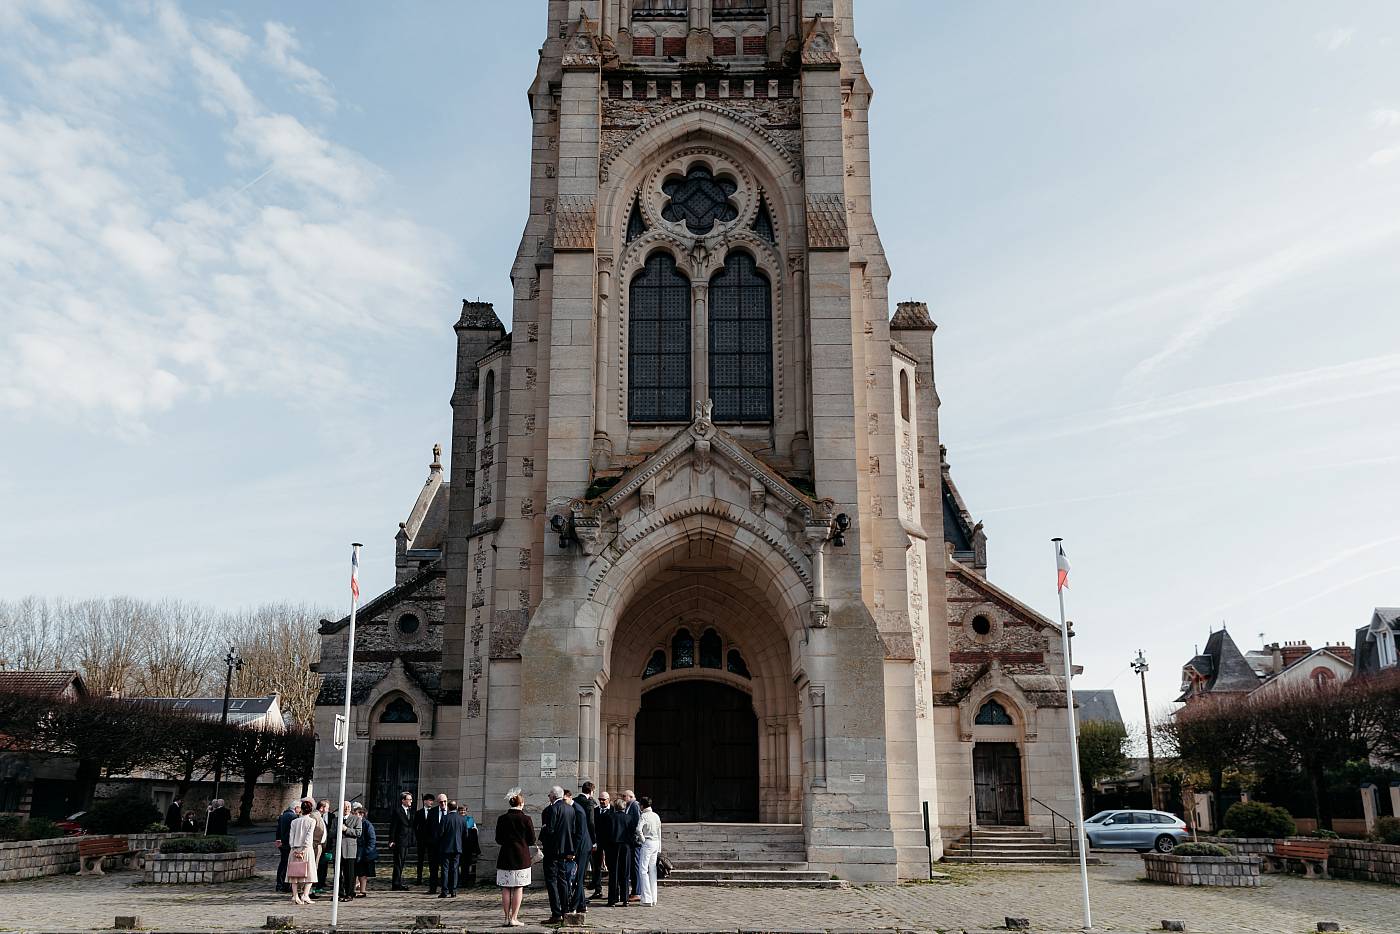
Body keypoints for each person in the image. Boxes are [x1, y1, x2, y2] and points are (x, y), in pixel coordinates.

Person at [494, 789, 536, 928]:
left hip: (505, 855)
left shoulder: (502, 818)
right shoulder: (526, 819)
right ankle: (514, 917)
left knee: (505, 887)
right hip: (521, 856)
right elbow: (531, 839)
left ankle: (506, 918)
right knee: (518, 887)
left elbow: (498, 839)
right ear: (521, 803)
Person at [539, 785, 580, 925]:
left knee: (551, 881)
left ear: (554, 796)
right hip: (565, 850)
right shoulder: (570, 809)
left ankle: (556, 913)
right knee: (563, 881)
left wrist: (544, 829)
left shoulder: (552, 809)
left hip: (552, 850)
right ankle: (565, 910)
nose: (548, 796)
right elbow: (573, 830)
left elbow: (550, 830)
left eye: (549, 794)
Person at [568, 789, 593, 921]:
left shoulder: (577, 810)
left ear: (569, 797)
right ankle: (582, 905)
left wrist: (573, 852)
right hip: (583, 846)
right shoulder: (574, 808)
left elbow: (579, 834)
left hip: (582, 848)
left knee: (579, 877)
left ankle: (574, 905)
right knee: (578, 876)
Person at [286, 799, 318, 905]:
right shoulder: (312, 821)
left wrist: (294, 849)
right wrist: (303, 850)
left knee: (294, 874)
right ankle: (305, 894)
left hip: (294, 848)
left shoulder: (294, 821)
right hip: (306, 849)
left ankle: (295, 895)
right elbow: (308, 837)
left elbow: (291, 837)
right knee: (310, 874)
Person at [575, 783, 599, 906]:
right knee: (582, 871)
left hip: (575, 840)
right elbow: (591, 823)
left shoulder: (574, 800)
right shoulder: (588, 803)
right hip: (586, 841)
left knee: (577, 870)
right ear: (591, 791)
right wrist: (594, 841)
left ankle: (578, 895)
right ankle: (580, 898)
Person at [435, 799, 465, 898]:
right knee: (455, 869)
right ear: (456, 808)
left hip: (446, 847)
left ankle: (444, 890)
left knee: (445, 869)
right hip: (457, 847)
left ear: (448, 807)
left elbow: (440, 833)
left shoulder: (445, 818)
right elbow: (465, 834)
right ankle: (454, 890)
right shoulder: (462, 819)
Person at [606, 796, 632, 908]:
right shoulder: (629, 818)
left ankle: (612, 899)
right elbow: (631, 833)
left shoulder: (610, 817)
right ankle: (625, 899)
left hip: (613, 847)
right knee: (625, 873)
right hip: (625, 846)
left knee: (613, 873)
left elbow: (607, 833)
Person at [636, 796, 661, 907]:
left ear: (642, 805)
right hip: (656, 842)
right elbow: (660, 830)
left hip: (648, 843)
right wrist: (659, 846)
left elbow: (638, 829)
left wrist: (643, 840)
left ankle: (646, 898)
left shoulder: (644, 816)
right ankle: (654, 897)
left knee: (643, 870)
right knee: (652, 870)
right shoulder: (656, 815)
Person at [389, 791, 415, 890]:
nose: (411, 801)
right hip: (399, 840)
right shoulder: (397, 811)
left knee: (402, 862)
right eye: (409, 799)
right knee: (398, 863)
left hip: (407, 840)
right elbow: (393, 827)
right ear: (403, 800)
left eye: (411, 799)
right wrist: (391, 840)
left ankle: (398, 881)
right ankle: (396, 884)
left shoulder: (410, 811)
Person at [337, 800, 362, 902]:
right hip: (338, 850)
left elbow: (358, 832)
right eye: (344, 806)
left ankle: (349, 893)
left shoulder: (356, 819)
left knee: (349, 874)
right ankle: (339, 893)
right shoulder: (336, 819)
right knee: (338, 874)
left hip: (350, 850)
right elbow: (331, 832)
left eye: (348, 806)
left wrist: (346, 829)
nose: (347, 808)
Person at [412, 793, 437, 887]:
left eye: (432, 801)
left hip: (431, 840)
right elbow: (415, 826)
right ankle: (419, 879)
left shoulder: (434, 812)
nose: (431, 802)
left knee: (432, 860)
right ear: (425, 801)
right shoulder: (419, 813)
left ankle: (432, 879)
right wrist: (417, 836)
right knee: (420, 860)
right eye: (429, 800)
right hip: (421, 839)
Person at [592, 792, 613, 900]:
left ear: (608, 799)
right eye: (600, 799)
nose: (602, 801)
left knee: (611, 866)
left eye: (604, 799)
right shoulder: (595, 811)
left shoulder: (613, 810)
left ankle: (612, 891)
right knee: (596, 866)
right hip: (598, 842)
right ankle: (598, 889)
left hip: (610, 843)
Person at [622, 790, 642, 904]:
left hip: (634, 842)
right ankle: (635, 890)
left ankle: (637, 892)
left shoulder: (634, 805)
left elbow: (636, 822)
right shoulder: (630, 805)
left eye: (624, 796)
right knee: (633, 866)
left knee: (635, 866)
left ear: (630, 796)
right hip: (631, 841)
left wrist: (633, 836)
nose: (623, 798)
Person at [353, 803, 377, 897]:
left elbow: (372, 839)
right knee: (356, 872)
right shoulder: (355, 823)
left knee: (363, 874)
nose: (354, 815)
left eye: (356, 813)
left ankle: (362, 891)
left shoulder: (367, 824)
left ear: (361, 814)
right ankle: (353, 889)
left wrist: (367, 851)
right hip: (357, 851)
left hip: (364, 853)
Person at [456, 803, 482, 886]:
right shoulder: (456, 818)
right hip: (458, 844)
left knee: (466, 865)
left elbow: (469, 827)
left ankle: (465, 881)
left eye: (464, 810)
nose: (462, 812)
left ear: (466, 811)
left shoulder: (469, 819)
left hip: (467, 845)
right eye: (460, 810)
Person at [275, 800, 298, 893]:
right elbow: (290, 832)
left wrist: (278, 839)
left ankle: (279, 884)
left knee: (283, 864)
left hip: (282, 843)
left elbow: (278, 829)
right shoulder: (293, 817)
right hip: (288, 843)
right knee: (286, 864)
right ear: (296, 808)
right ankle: (284, 884)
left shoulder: (284, 815)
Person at [314, 799, 333, 897]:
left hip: (322, 846)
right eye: (327, 807)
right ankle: (313, 888)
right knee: (315, 868)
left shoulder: (321, 817)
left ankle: (318, 886)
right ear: (322, 808)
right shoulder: (315, 816)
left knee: (321, 867)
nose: (329, 809)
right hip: (316, 846)